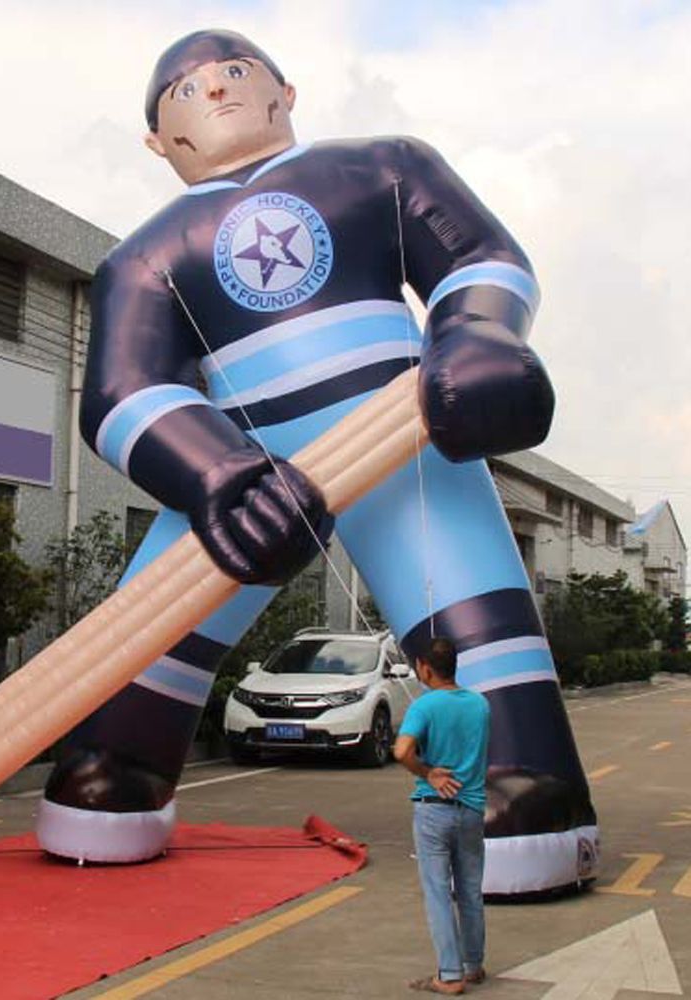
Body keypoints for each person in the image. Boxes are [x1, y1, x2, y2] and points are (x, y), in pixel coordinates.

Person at [36, 28, 597, 897]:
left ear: (283, 91)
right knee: (148, 637)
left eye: (232, 73)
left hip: (401, 437)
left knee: (474, 616)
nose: (213, 92)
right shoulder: (141, 257)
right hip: (245, 469)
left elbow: (481, 260)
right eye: (185, 91)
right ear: (157, 141)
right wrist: (212, 473)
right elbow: (121, 392)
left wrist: (475, 335)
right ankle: (114, 774)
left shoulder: (384, 165)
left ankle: (525, 789)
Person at [395, 637, 490, 995]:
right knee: (469, 889)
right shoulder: (480, 704)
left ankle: (449, 975)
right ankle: (473, 965)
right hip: (472, 808)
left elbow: (402, 750)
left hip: (434, 809)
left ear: (425, 668)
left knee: (437, 891)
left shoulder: (425, 705)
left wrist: (428, 772)